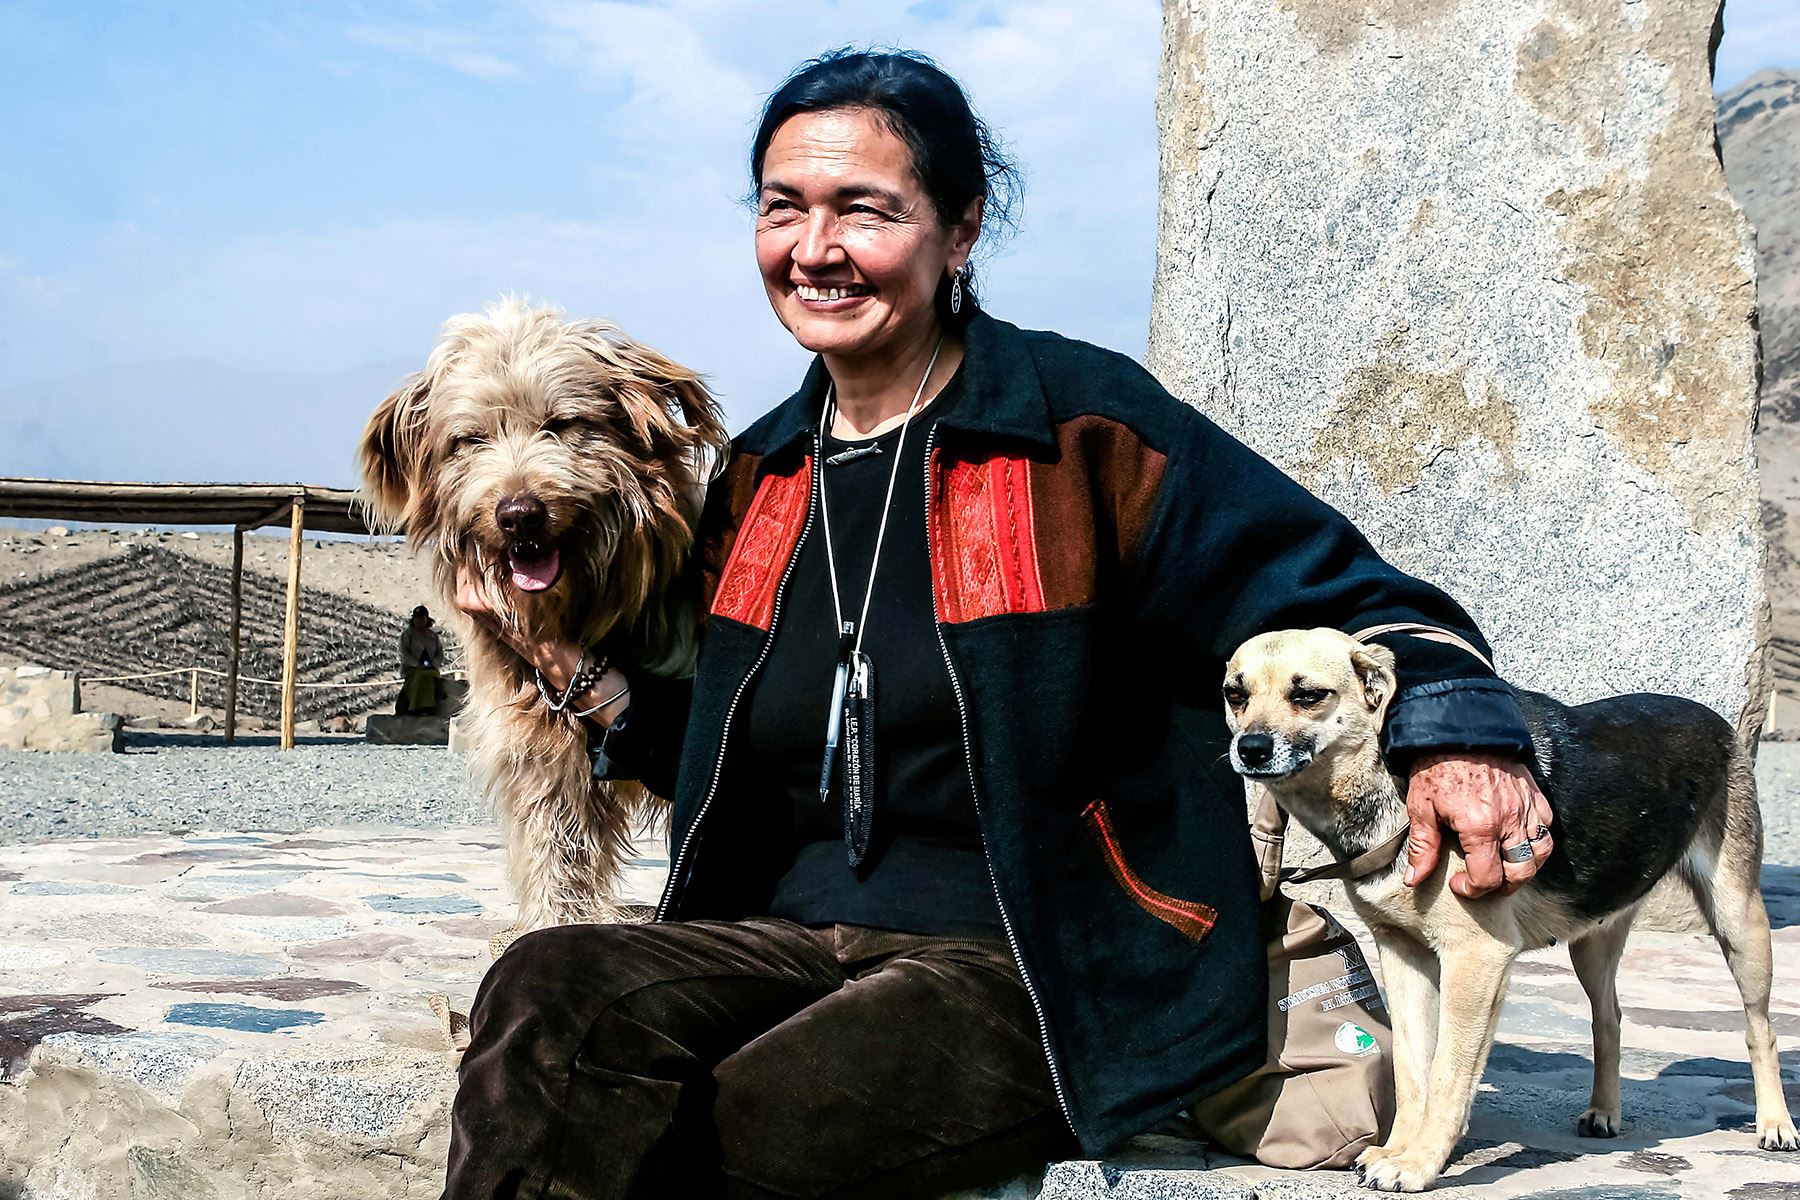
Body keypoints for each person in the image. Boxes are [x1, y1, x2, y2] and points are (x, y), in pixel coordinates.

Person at [441, 49, 1557, 1200]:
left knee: (751, 1116)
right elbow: (729, 758)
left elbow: (1352, 596)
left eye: (864, 210)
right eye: (785, 210)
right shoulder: (761, 474)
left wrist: (1461, 736)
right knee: (545, 990)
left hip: (1037, 957)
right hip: (788, 934)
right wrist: (570, 666)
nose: (815, 248)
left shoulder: (1082, 431)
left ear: (960, 228)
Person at [397, 605, 444, 716]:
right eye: (417, 618)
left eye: (422, 618)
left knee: (430, 676)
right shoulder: (408, 634)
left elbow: (440, 653)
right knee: (421, 677)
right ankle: (416, 706)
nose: (419, 621)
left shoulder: (433, 636)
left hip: (430, 668)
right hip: (412, 669)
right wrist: (416, 664)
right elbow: (403, 653)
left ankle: (430, 705)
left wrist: (434, 664)